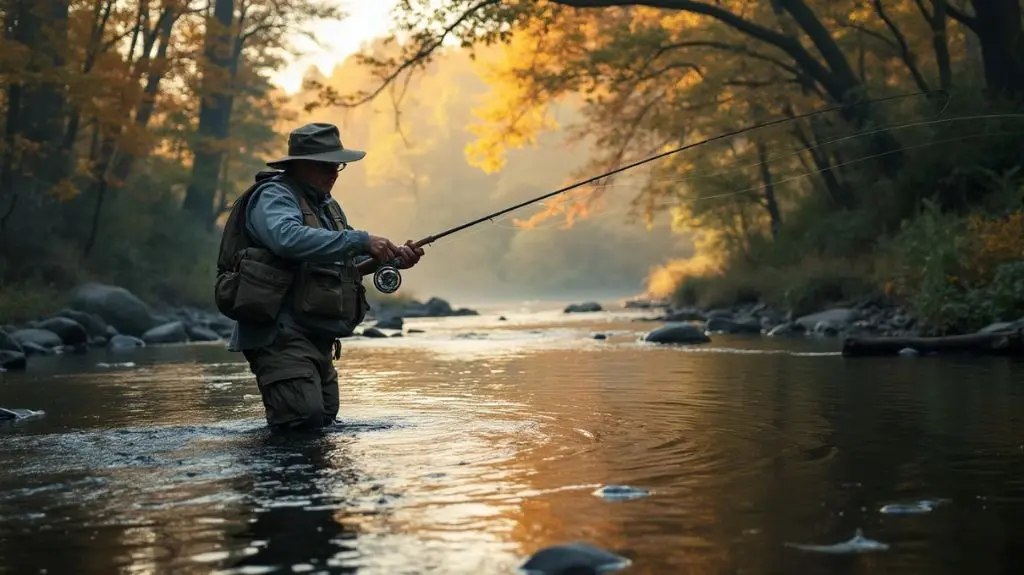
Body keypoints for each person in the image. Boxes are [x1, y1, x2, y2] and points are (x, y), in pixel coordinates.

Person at [214, 122, 424, 432]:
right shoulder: (274, 196)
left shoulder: (326, 205)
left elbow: (344, 262)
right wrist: (362, 240)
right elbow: (286, 238)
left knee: (322, 425)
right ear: (299, 165)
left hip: (316, 334)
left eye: (337, 164)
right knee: (302, 421)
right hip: (278, 334)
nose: (334, 172)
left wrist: (389, 261)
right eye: (324, 165)